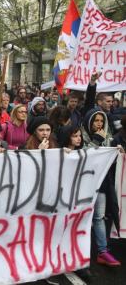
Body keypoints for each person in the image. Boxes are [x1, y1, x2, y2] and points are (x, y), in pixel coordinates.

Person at [80, 107, 120, 267]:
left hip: (101, 183)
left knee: (98, 217)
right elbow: (83, 157)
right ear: (89, 121)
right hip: (83, 184)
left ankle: (102, 251)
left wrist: (118, 153)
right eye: (96, 120)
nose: (99, 123)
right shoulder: (80, 136)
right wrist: (95, 139)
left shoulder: (109, 138)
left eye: (101, 121)